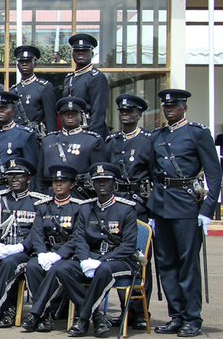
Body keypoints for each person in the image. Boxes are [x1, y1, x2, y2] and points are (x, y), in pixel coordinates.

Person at [149, 89, 221, 337]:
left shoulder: (198, 133)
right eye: (166, 106)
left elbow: (214, 173)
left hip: (187, 206)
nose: (169, 109)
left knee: (187, 265)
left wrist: (208, 209)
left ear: (184, 108)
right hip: (161, 205)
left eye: (174, 106)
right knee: (166, 264)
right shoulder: (157, 136)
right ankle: (176, 315)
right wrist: (152, 207)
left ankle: (192, 318)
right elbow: (153, 172)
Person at [61, 163, 139, 338]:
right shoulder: (86, 208)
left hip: (119, 260)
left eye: (106, 181)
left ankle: (82, 319)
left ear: (114, 183)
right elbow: (79, 238)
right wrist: (84, 259)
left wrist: (102, 260)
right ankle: (97, 317)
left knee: (103, 270)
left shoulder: (126, 208)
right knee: (62, 268)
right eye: (98, 182)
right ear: (92, 184)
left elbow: (128, 245)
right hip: (92, 256)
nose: (101, 185)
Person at [0, 157, 46, 328]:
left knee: (9, 263)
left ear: (28, 179)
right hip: (3, 245)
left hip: (24, 250)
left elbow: (37, 231)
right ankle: (6, 308)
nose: (14, 180)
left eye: (19, 176)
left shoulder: (38, 201)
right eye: (10, 176)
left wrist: (22, 246)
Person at [20, 163, 89, 333]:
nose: (58, 185)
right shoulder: (44, 206)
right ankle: (46, 315)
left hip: (67, 254)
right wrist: (42, 253)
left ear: (71, 185)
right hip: (47, 250)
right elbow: (37, 234)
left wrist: (59, 255)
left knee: (56, 269)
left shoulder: (79, 207)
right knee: (32, 266)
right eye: (55, 182)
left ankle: (38, 313)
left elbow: (77, 237)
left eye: (63, 181)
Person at [106, 93, 154, 330]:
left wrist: (152, 209)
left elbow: (155, 176)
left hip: (138, 205)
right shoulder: (112, 141)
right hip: (116, 205)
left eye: (130, 112)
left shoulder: (147, 140)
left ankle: (140, 312)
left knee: (139, 258)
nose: (125, 115)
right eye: (122, 112)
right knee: (118, 256)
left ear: (138, 115)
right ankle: (125, 309)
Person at [39, 97, 104, 195]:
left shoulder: (92, 141)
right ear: (60, 116)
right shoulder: (47, 140)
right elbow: (39, 177)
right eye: (66, 113)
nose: (70, 116)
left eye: (74, 113)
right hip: (50, 196)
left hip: (79, 196)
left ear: (81, 115)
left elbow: (99, 174)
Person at [0, 91, 40, 193]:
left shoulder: (24, 134)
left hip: (11, 189)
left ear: (13, 111)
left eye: (3, 108)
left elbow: (32, 170)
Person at [62, 34, 110, 138]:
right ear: (72, 54)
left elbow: (98, 112)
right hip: (70, 131)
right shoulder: (69, 78)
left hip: (87, 130)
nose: (80, 53)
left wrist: (92, 138)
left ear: (92, 54)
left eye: (84, 51)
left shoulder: (96, 77)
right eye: (77, 51)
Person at [11, 45, 58, 135]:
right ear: (17, 65)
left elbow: (50, 118)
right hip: (16, 136)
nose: (24, 64)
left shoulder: (44, 87)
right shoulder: (13, 90)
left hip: (34, 136)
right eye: (21, 61)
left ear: (34, 63)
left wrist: (51, 139)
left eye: (28, 61)